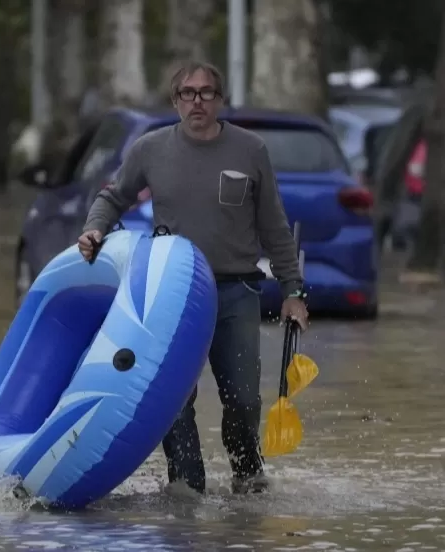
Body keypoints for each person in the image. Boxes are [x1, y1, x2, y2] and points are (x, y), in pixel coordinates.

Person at [77, 60, 309, 495]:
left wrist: (293, 290)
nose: (197, 101)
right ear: (175, 101)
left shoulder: (251, 150)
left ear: (221, 100)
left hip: (236, 290)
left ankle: (246, 475)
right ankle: (186, 486)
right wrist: (94, 229)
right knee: (174, 402)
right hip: (174, 294)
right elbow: (113, 197)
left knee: (243, 398)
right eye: (188, 93)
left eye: (206, 93)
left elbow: (275, 228)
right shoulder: (150, 149)